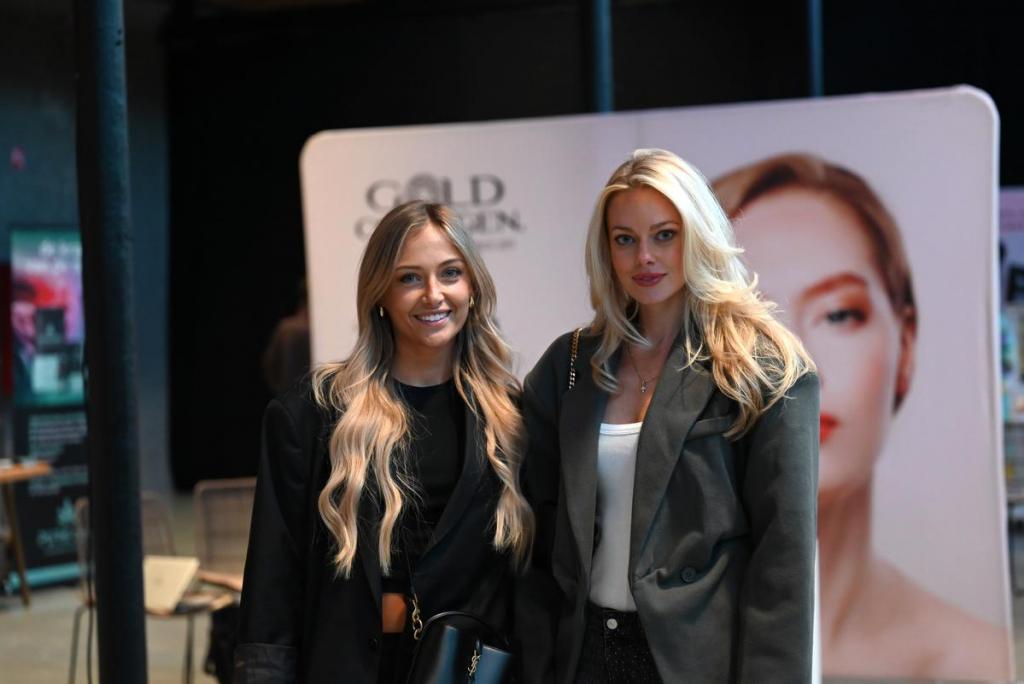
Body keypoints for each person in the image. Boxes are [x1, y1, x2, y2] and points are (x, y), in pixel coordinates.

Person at [518, 148, 819, 683]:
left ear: (697, 235)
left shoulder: (762, 365)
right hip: (584, 655)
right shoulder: (569, 365)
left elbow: (784, 560)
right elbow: (535, 540)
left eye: (664, 235)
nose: (644, 258)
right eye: (624, 239)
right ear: (605, 249)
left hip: (698, 662)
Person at [713, 153, 1010, 680]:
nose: (799, 367)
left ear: (907, 343)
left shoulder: (979, 664)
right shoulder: (648, 650)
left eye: (838, 315)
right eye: (747, 323)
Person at [235, 200, 533, 683]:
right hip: (351, 666)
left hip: (466, 670)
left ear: (473, 287)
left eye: (450, 273)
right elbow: (273, 579)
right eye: (409, 278)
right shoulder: (313, 414)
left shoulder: (509, 415)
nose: (433, 295)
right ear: (380, 294)